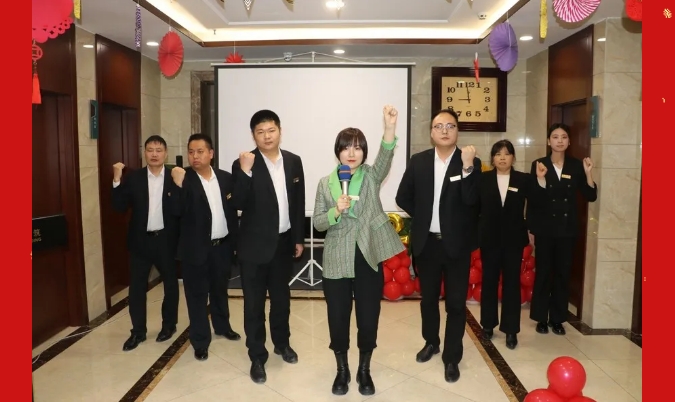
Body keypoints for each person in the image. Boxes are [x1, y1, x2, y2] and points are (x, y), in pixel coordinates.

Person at [313, 106, 405, 396]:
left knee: (368, 317)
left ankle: (364, 369)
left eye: (357, 147)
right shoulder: (325, 184)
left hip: (367, 256)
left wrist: (389, 128)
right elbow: (317, 223)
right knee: (338, 317)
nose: (351, 153)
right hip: (336, 258)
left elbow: (386, 157)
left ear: (364, 152)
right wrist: (334, 211)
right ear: (338, 152)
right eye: (346, 147)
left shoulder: (371, 176)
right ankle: (342, 370)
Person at [395, 108, 481, 383]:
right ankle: (431, 342)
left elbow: (472, 201)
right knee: (428, 300)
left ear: (457, 131)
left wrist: (467, 168)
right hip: (427, 244)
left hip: (456, 246)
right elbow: (402, 196)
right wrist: (423, 217)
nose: (444, 130)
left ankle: (452, 357)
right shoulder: (419, 161)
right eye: (439, 126)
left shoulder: (470, 162)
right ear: (431, 132)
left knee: (455, 304)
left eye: (450, 126)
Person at [231, 110, 306, 384]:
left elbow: (298, 202)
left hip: (283, 244)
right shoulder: (243, 163)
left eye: (271, 130)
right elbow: (237, 202)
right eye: (260, 132)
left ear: (280, 131)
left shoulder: (294, 161)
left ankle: (282, 344)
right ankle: (257, 356)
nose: (266, 136)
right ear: (254, 135)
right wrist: (245, 172)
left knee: (281, 300)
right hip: (253, 248)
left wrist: (299, 238)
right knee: (253, 304)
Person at [170, 133, 241, 361]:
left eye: (200, 151)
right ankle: (200, 340)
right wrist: (178, 185)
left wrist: (235, 244)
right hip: (195, 249)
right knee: (196, 296)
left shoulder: (226, 178)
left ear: (211, 153)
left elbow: (233, 212)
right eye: (191, 152)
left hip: (222, 247)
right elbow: (175, 211)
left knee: (220, 290)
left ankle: (222, 326)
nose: (195, 156)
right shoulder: (183, 179)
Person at [476, 140, 548, 350]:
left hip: (513, 240)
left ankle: (511, 330)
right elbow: (473, 207)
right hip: (489, 240)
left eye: (507, 154)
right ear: (492, 158)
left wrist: (541, 179)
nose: (502, 157)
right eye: (498, 154)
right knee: (489, 282)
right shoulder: (483, 179)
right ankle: (488, 325)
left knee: (511, 285)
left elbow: (539, 202)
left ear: (513, 158)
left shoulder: (523, 179)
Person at [527, 123, 597, 335]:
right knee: (543, 273)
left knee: (562, 274)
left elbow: (590, 195)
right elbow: (533, 199)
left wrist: (588, 173)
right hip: (545, 229)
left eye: (564, 137)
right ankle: (541, 317)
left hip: (567, 230)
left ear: (569, 141)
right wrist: (531, 229)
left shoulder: (576, 165)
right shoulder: (539, 164)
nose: (559, 140)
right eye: (555, 137)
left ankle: (557, 318)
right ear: (548, 141)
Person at [111, 135, 180, 351]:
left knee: (171, 286)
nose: (154, 154)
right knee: (137, 289)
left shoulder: (175, 177)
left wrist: (179, 186)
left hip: (166, 241)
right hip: (140, 242)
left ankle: (169, 326)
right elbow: (119, 206)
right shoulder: (134, 178)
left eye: (159, 150)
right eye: (150, 150)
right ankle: (138, 332)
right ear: (145, 153)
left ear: (165, 153)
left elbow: (181, 209)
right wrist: (116, 180)